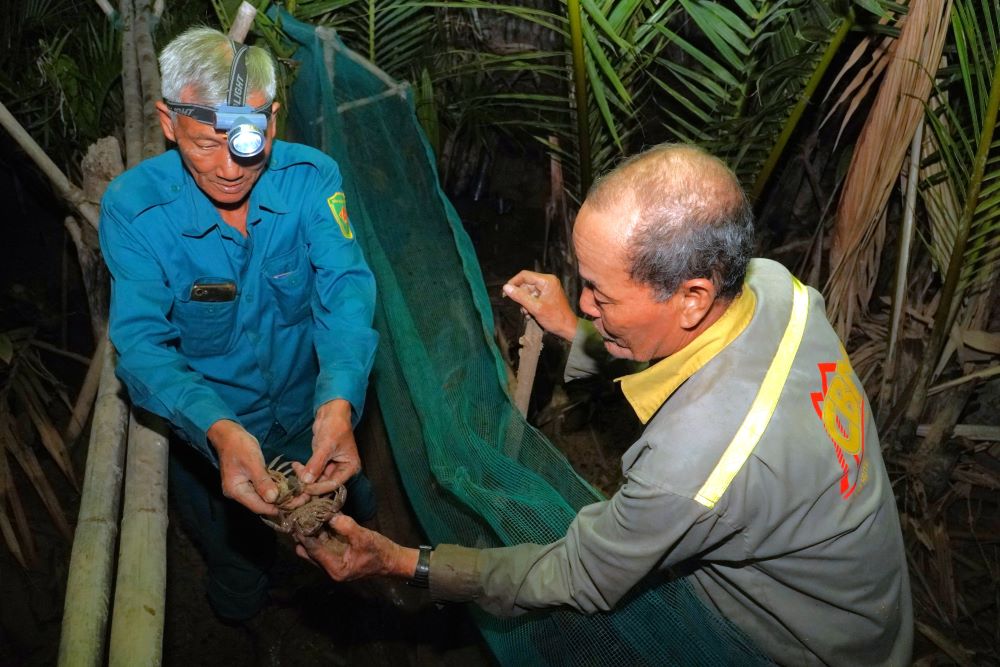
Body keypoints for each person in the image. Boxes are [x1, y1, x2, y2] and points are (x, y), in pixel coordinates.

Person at [297, 144, 914, 665]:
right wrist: (576, 329)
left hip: (809, 645)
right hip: (872, 599)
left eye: (599, 293)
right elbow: (698, 360)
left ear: (693, 297)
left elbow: (577, 574)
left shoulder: (688, 468)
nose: (587, 303)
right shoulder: (775, 287)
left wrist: (405, 562)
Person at [98, 27, 379, 622]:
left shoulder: (311, 180)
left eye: (248, 143)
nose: (229, 168)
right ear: (168, 122)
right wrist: (220, 432)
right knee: (236, 561)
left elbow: (346, 292)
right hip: (211, 435)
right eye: (205, 144)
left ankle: (344, 605)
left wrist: (339, 403)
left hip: (310, 412)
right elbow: (142, 345)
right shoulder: (136, 211)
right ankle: (242, 625)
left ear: (271, 122)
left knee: (354, 516)